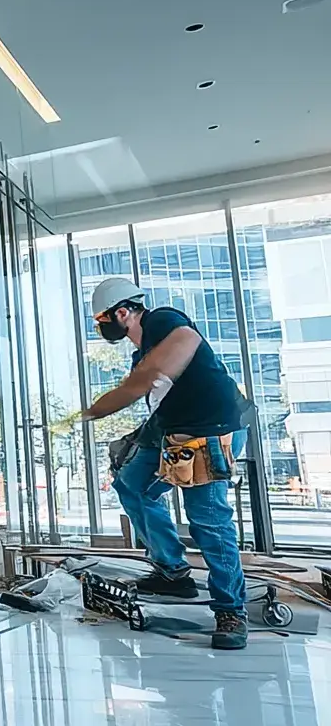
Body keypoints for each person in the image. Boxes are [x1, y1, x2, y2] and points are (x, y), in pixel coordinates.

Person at [82, 277, 252, 650]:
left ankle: (230, 609)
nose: (101, 327)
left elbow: (168, 360)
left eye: (102, 319)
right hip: (173, 430)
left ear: (122, 313)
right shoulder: (140, 357)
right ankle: (173, 572)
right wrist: (139, 438)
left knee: (207, 517)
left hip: (213, 428)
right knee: (132, 485)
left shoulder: (163, 321)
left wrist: (101, 407)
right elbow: (160, 398)